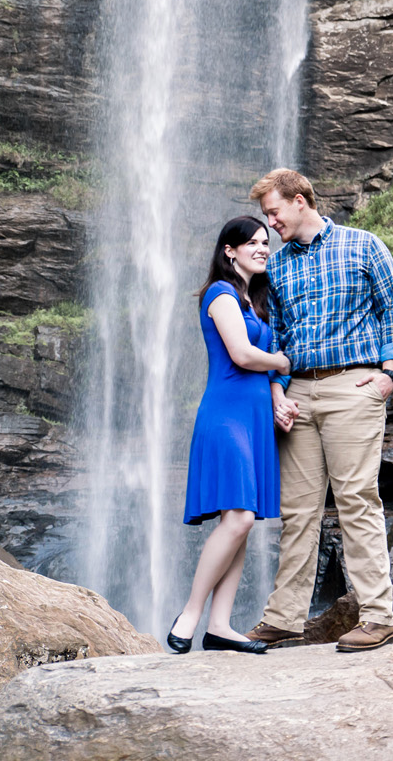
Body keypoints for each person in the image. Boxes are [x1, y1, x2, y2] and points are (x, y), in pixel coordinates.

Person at [243, 168, 393, 653]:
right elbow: (275, 335)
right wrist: (277, 390)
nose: (271, 223)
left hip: (351, 386)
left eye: (274, 212)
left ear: (300, 201)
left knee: (357, 500)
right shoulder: (275, 267)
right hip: (297, 391)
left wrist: (389, 374)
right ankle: (284, 618)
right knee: (298, 512)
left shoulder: (364, 245)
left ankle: (378, 617)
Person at [166, 216, 293, 655]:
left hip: (255, 418)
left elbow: (259, 361)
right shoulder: (220, 295)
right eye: (253, 242)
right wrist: (281, 361)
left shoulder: (255, 302)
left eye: (266, 241)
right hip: (226, 416)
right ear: (229, 250)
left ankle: (220, 625)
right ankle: (191, 612)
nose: (262, 248)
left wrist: (278, 396)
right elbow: (241, 355)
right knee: (238, 518)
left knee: (240, 524)